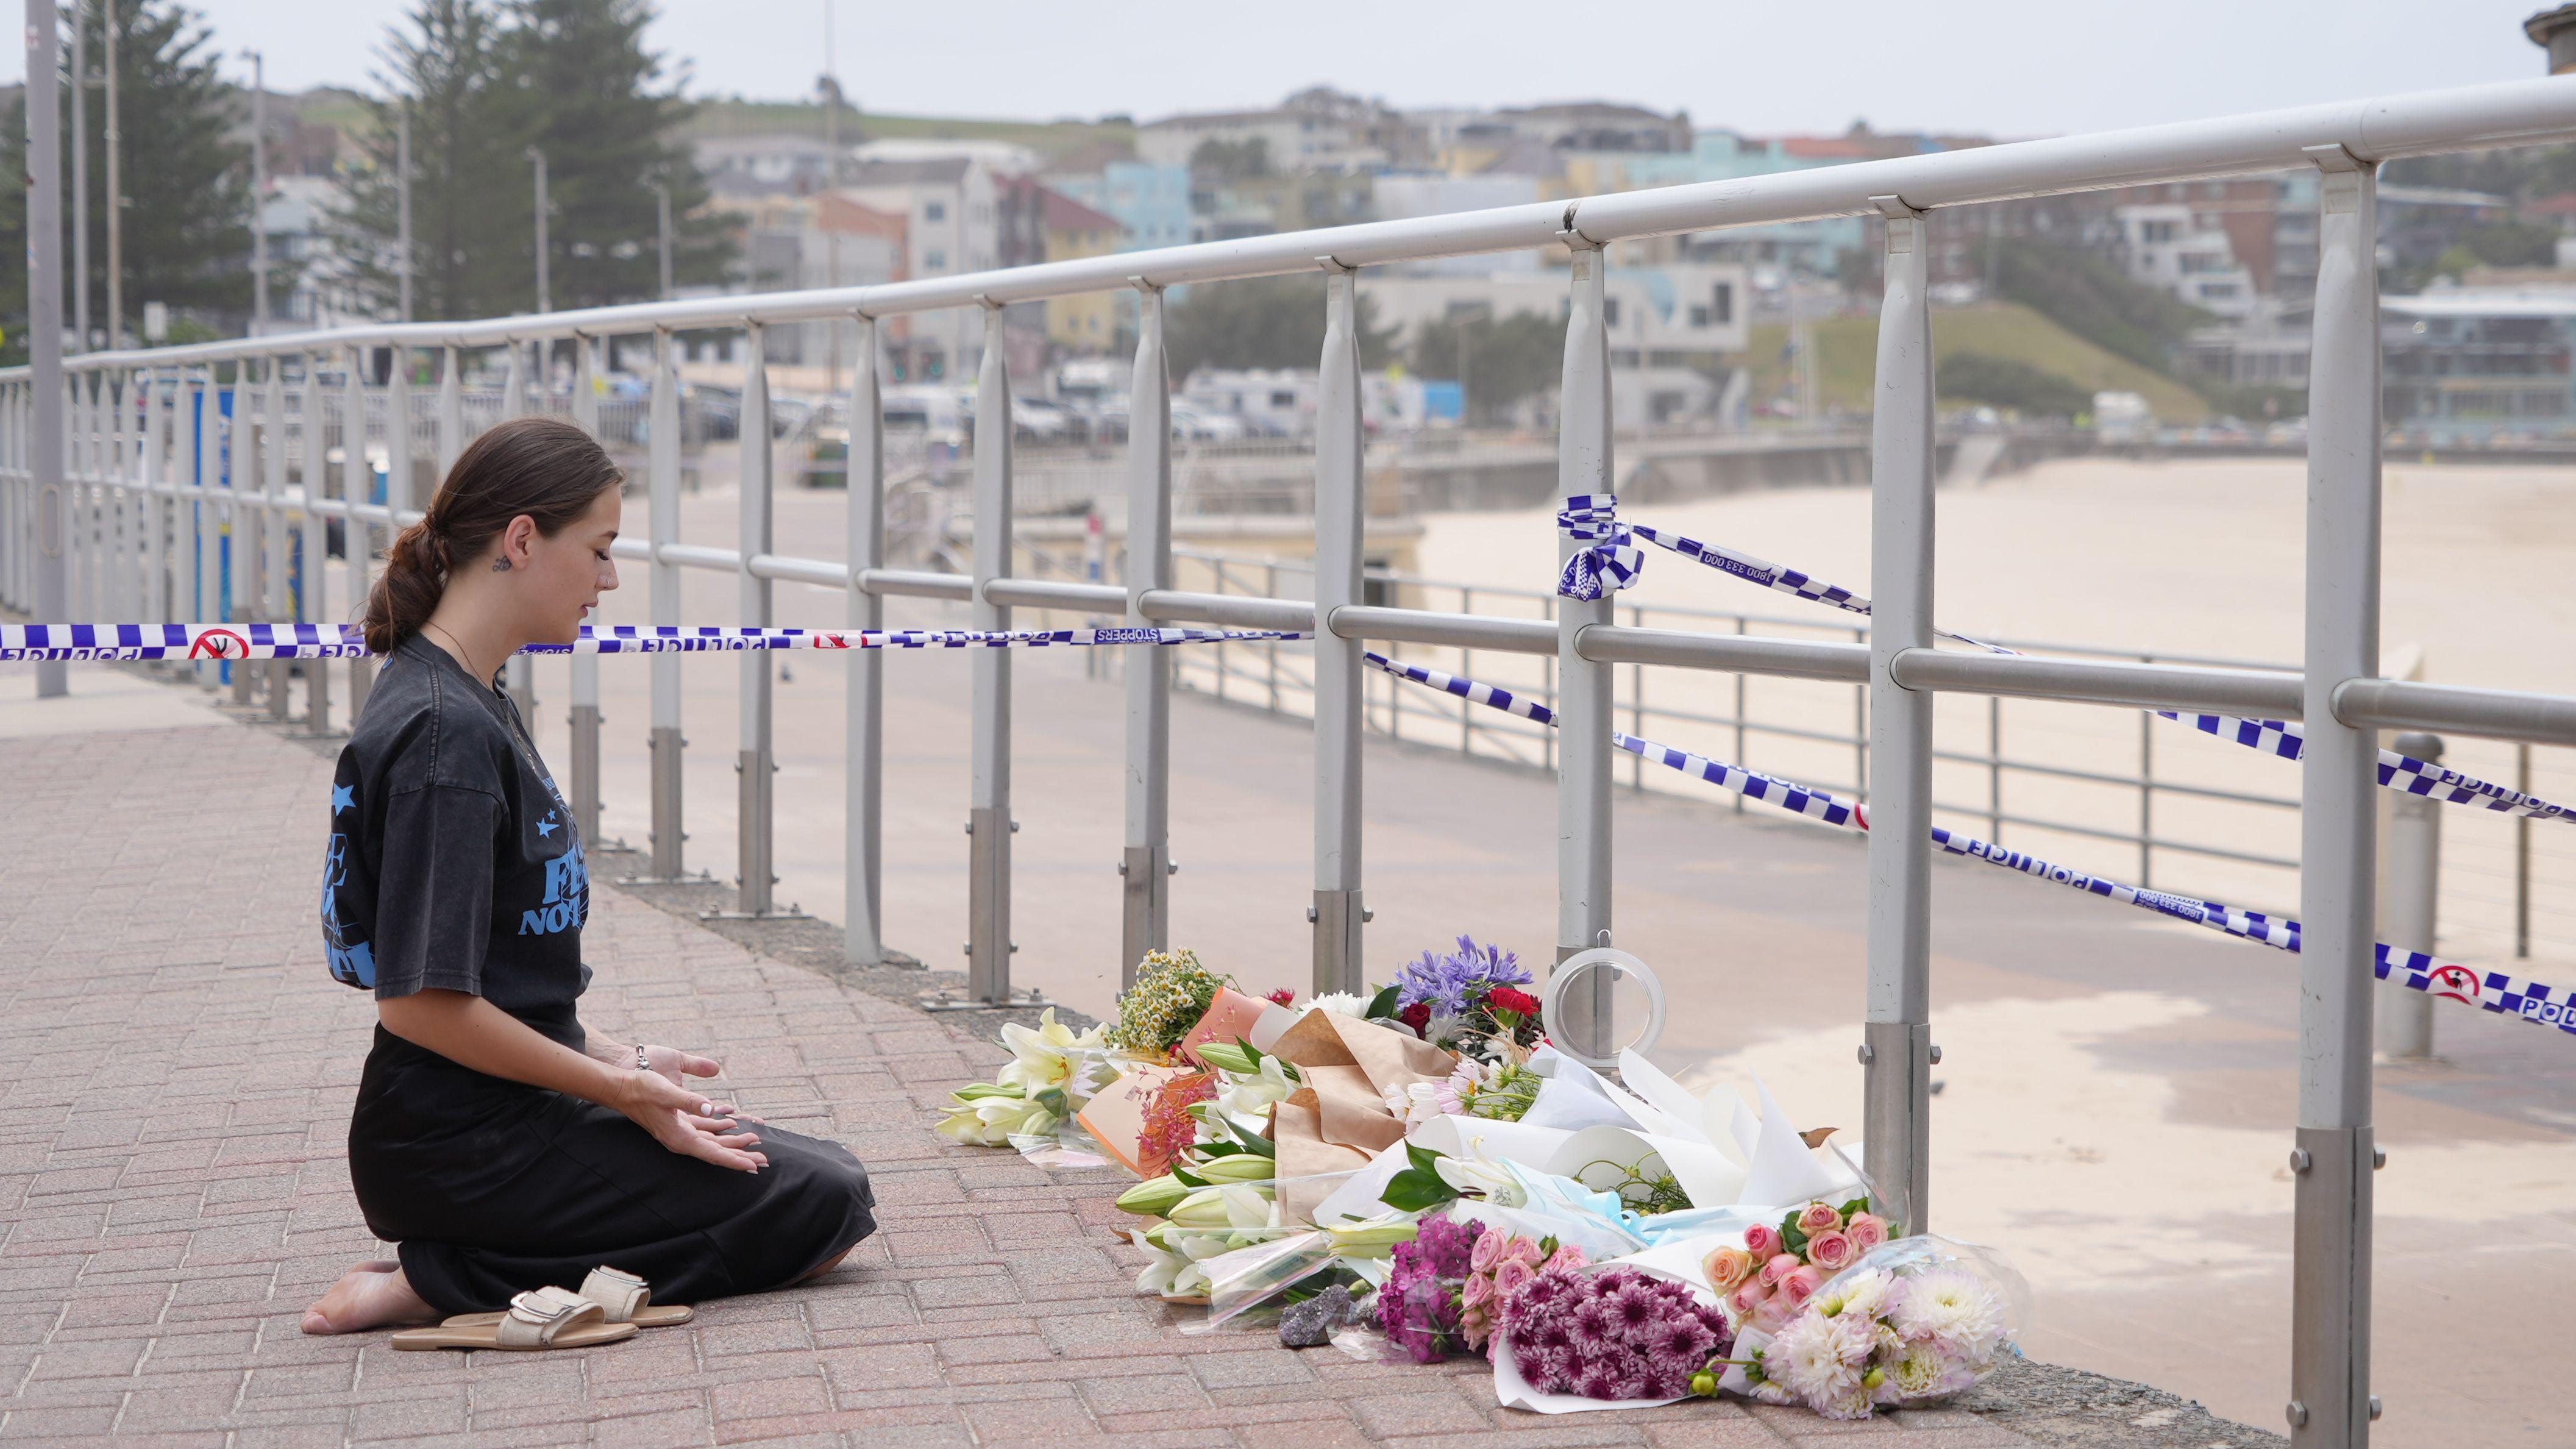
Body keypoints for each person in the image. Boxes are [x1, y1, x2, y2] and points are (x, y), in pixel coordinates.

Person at [301, 416, 876, 1335]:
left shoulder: (467, 694)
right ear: (523, 539)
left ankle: (474, 1256)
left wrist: (619, 1057)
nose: (609, 581)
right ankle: (445, 1275)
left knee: (820, 1174)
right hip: (462, 1145)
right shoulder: (445, 736)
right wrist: (622, 1093)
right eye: (600, 550)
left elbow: (496, 973)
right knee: (821, 1206)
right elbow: (419, 1004)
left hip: (507, 1112)